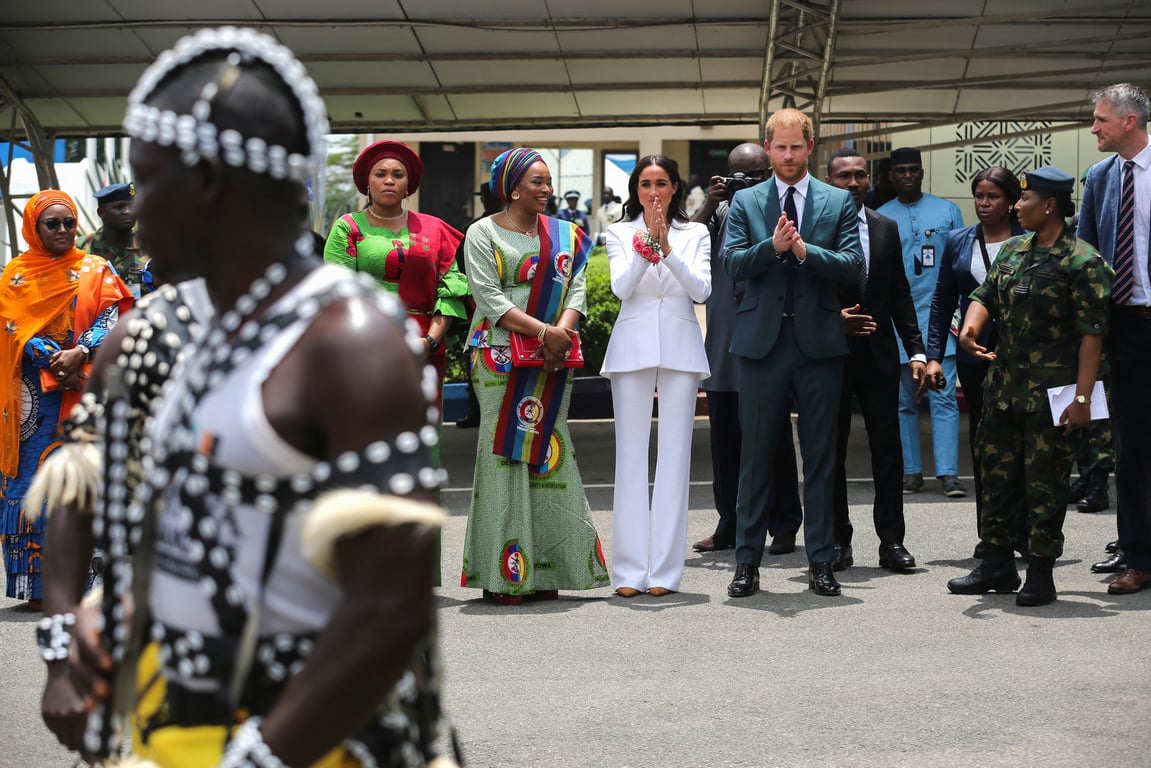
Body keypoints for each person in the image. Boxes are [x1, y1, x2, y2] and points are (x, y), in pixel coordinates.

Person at [43, 27, 455, 767]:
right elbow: (119, 502)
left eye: (147, 180)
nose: (134, 210)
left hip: (314, 741)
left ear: (204, 184)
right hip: (181, 724)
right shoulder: (177, 331)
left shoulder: (348, 341)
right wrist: (81, 626)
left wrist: (261, 757)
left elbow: (390, 606)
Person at [947, 166, 1111, 606]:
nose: (1016, 206)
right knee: (997, 480)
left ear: (1050, 205)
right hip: (1003, 390)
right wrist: (970, 328)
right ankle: (996, 563)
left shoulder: (1083, 261)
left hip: (1051, 397)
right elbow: (985, 295)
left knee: (1044, 485)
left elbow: (1092, 336)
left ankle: (1040, 572)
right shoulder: (1015, 250)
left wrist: (1081, 400)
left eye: (1024, 200)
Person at [459, 147, 609, 604]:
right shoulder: (481, 233)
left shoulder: (568, 234)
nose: (546, 190)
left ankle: (547, 572)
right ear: (513, 186)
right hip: (498, 358)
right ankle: (504, 576)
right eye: (537, 182)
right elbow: (488, 298)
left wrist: (560, 334)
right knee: (503, 453)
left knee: (549, 453)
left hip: (552, 358)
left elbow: (577, 287)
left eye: (548, 182)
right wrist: (547, 331)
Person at [724, 108, 863, 598]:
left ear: (811, 146)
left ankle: (821, 561)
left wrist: (806, 253)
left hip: (820, 345)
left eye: (796, 147)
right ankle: (746, 562)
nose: (787, 156)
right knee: (755, 458)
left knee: (822, 459)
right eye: (779, 147)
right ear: (767, 147)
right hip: (761, 345)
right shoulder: (745, 201)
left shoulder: (838, 200)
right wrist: (773, 247)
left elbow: (854, 268)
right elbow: (732, 263)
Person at [0, 190, 132, 610]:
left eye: (68, 223)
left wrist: (81, 351)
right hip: (33, 400)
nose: (62, 230)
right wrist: (51, 358)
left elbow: (113, 314)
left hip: (86, 387)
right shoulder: (16, 274)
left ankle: (89, 587)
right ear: (33, 228)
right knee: (33, 483)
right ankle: (36, 588)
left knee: (87, 480)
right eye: (51, 224)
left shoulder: (96, 267)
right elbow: (11, 327)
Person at [601, 154, 711, 597]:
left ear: (675, 188)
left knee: (674, 460)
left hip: (682, 349)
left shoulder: (696, 232)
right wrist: (647, 250)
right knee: (630, 458)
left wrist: (668, 249)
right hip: (631, 348)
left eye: (661, 183)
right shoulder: (618, 231)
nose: (653, 191)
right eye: (645, 184)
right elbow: (621, 288)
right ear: (635, 190)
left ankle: (664, 573)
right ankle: (628, 573)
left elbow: (702, 290)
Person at [689, 142, 802, 557]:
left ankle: (785, 524)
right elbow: (683, 246)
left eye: (755, 175)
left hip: (768, 341)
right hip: (723, 345)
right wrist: (709, 204)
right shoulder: (715, 215)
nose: (747, 183)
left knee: (773, 441)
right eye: (739, 176)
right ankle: (729, 525)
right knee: (725, 445)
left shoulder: (782, 211)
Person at [825, 148, 925, 573]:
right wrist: (833, 322)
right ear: (828, 182)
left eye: (860, 175)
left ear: (869, 180)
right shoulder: (815, 228)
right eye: (843, 176)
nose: (853, 183)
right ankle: (836, 542)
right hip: (829, 356)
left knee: (888, 450)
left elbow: (899, 292)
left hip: (881, 356)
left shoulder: (886, 226)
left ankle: (892, 542)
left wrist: (917, 349)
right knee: (831, 451)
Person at [918, 166, 1024, 558]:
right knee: (984, 443)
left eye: (992, 196)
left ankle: (1025, 531)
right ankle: (990, 532)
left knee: (1024, 442)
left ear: (1011, 200)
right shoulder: (959, 240)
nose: (983, 203)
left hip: (1023, 356)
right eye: (978, 195)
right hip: (975, 357)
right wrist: (933, 356)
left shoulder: (1028, 240)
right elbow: (943, 301)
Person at [324, 139, 470, 409]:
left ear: (408, 187)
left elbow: (451, 291)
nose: (389, 180)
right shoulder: (348, 227)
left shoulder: (434, 229)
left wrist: (429, 342)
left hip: (423, 347)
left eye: (397, 175)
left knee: (420, 431)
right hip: (364, 344)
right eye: (380, 174)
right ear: (367, 183)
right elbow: (337, 294)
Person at [1078, 82, 1151, 594]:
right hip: (1126, 328)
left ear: (1130, 121)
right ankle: (1138, 556)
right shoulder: (1100, 178)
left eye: (1101, 120)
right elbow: (1087, 252)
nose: (1094, 128)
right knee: (1131, 448)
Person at [878, 147, 967, 498]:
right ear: (890, 176)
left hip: (941, 320)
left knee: (944, 398)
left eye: (913, 170)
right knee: (903, 401)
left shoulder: (947, 211)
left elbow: (961, 266)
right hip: (899, 323)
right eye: (900, 171)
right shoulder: (880, 216)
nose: (907, 176)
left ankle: (948, 474)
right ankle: (911, 471)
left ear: (922, 172)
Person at [78, 182, 153, 297]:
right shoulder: (81, 248)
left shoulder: (150, 249)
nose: (128, 212)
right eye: (119, 207)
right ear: (101, 212)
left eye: (132, 206)